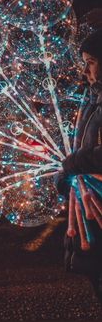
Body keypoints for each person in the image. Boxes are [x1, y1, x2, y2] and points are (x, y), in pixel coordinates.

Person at [56, 27, 102, 300]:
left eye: (92, 62)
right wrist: (66, 177)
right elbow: (79, 150)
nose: (85, 70)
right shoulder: (91, 99)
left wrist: (75, 163)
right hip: (90, 221)